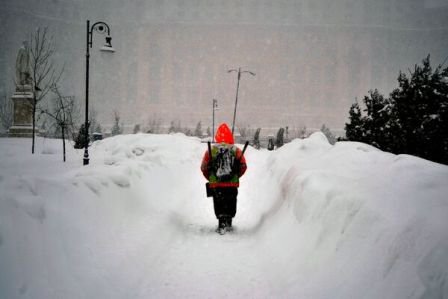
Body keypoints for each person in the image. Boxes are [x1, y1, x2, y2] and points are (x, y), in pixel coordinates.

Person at [201, 123, 247, 234]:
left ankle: (221, 222)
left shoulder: (211, 151)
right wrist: (235, 176)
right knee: (231, 202)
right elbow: (243, 166)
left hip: (216, 184)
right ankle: (229, 221)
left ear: (217, 136)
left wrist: (211, 177)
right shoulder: (236, 151)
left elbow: (204, 167)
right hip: (232, 184)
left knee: (219, 203)